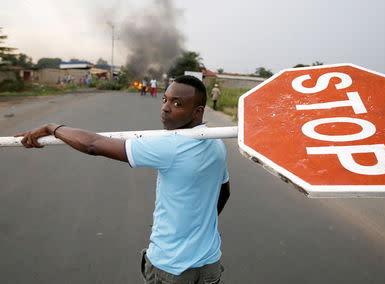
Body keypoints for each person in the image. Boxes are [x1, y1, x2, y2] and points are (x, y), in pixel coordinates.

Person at [14, 75, 231, 284]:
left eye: (177, 103)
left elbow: (93, 144)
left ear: (197, 112)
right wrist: (197, 227)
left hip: (171, 268)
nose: (165, 107)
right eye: (165, 99)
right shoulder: (217, 144)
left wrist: (52, 128)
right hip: (209, 264)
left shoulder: (171, 146)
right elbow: (224, 192)